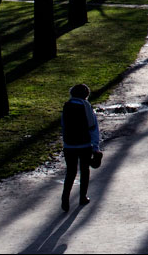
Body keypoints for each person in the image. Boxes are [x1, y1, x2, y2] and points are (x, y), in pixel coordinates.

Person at [60, 83, 101, 212]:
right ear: (86, 95)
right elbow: (93, 128)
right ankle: (82, 197)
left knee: (70, 172)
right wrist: (95, 147)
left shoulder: (66, 107)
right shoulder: (87, 107)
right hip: (84, 145)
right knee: (84, 171)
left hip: (69, 145)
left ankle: (65, 199)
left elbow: (63, 126)